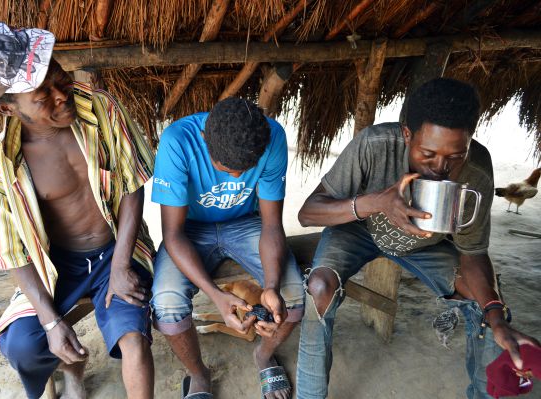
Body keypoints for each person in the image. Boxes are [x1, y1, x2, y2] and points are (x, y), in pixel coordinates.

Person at [295, 78, 541, 399]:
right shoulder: (374, 145)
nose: (440, 167)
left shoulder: (476, 172)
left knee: (488, 306)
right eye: (428, 153)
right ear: (407, 134)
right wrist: (375, 203)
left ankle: (484, 394)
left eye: (456, 155)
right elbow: (309, 212)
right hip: (358, 232)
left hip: (429, 245)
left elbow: (473, 252)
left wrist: (495, 315)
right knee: (319, 288)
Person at [0, 22, 156, 399]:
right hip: (56, 266)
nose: (60, 96)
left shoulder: (100, 108)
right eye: (42, 96)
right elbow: (14, 252)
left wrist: (120, 266)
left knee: (133, 335)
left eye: (58, 77)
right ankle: (72, 368)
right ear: (7, 108)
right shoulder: (0, 164)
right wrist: (50, 322)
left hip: (118, 248)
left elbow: (132, 186)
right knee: (23, 346)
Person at [150, 97, 305, 399]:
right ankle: (199, 374)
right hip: (190, 229)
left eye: (243, 169)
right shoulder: (177, 141)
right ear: (205, 140)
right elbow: (172, 234)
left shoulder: (271, 137)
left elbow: (272, 225)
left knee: (293, 295)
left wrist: (271, 286)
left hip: (245, 223)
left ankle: (263, 356)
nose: (236, 176)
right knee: (166, 302)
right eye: (225, 168)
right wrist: (215, 295)